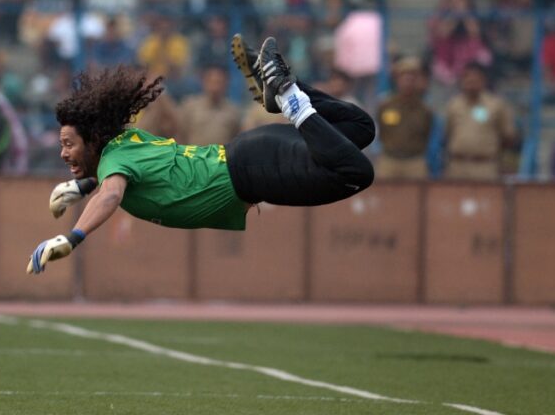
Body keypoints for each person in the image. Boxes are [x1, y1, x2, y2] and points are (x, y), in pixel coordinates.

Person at [27, 35, 375, 274]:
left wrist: (72, 237)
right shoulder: (125, 142)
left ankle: (288, 97)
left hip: (254, 173)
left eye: (69, 144)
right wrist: (83, 186)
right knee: (361, 127)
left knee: (356, 173)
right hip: (251, 151)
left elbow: (112, 194)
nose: (63, 153)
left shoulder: (114, 163)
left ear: (93, 141)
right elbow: (124, 178)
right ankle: (284, 93)